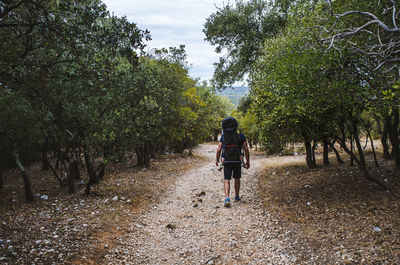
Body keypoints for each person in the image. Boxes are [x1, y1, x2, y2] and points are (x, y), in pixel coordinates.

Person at [216, 117, 250, 207]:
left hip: (227, 160)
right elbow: (246, 149)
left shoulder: (223, 136)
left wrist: (217, 160)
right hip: (237, 160)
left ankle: (227, 198)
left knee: (227, 179)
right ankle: (237, 196)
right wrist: (247, 161)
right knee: (237, 178)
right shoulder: (240, 136)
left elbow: (218, 150)